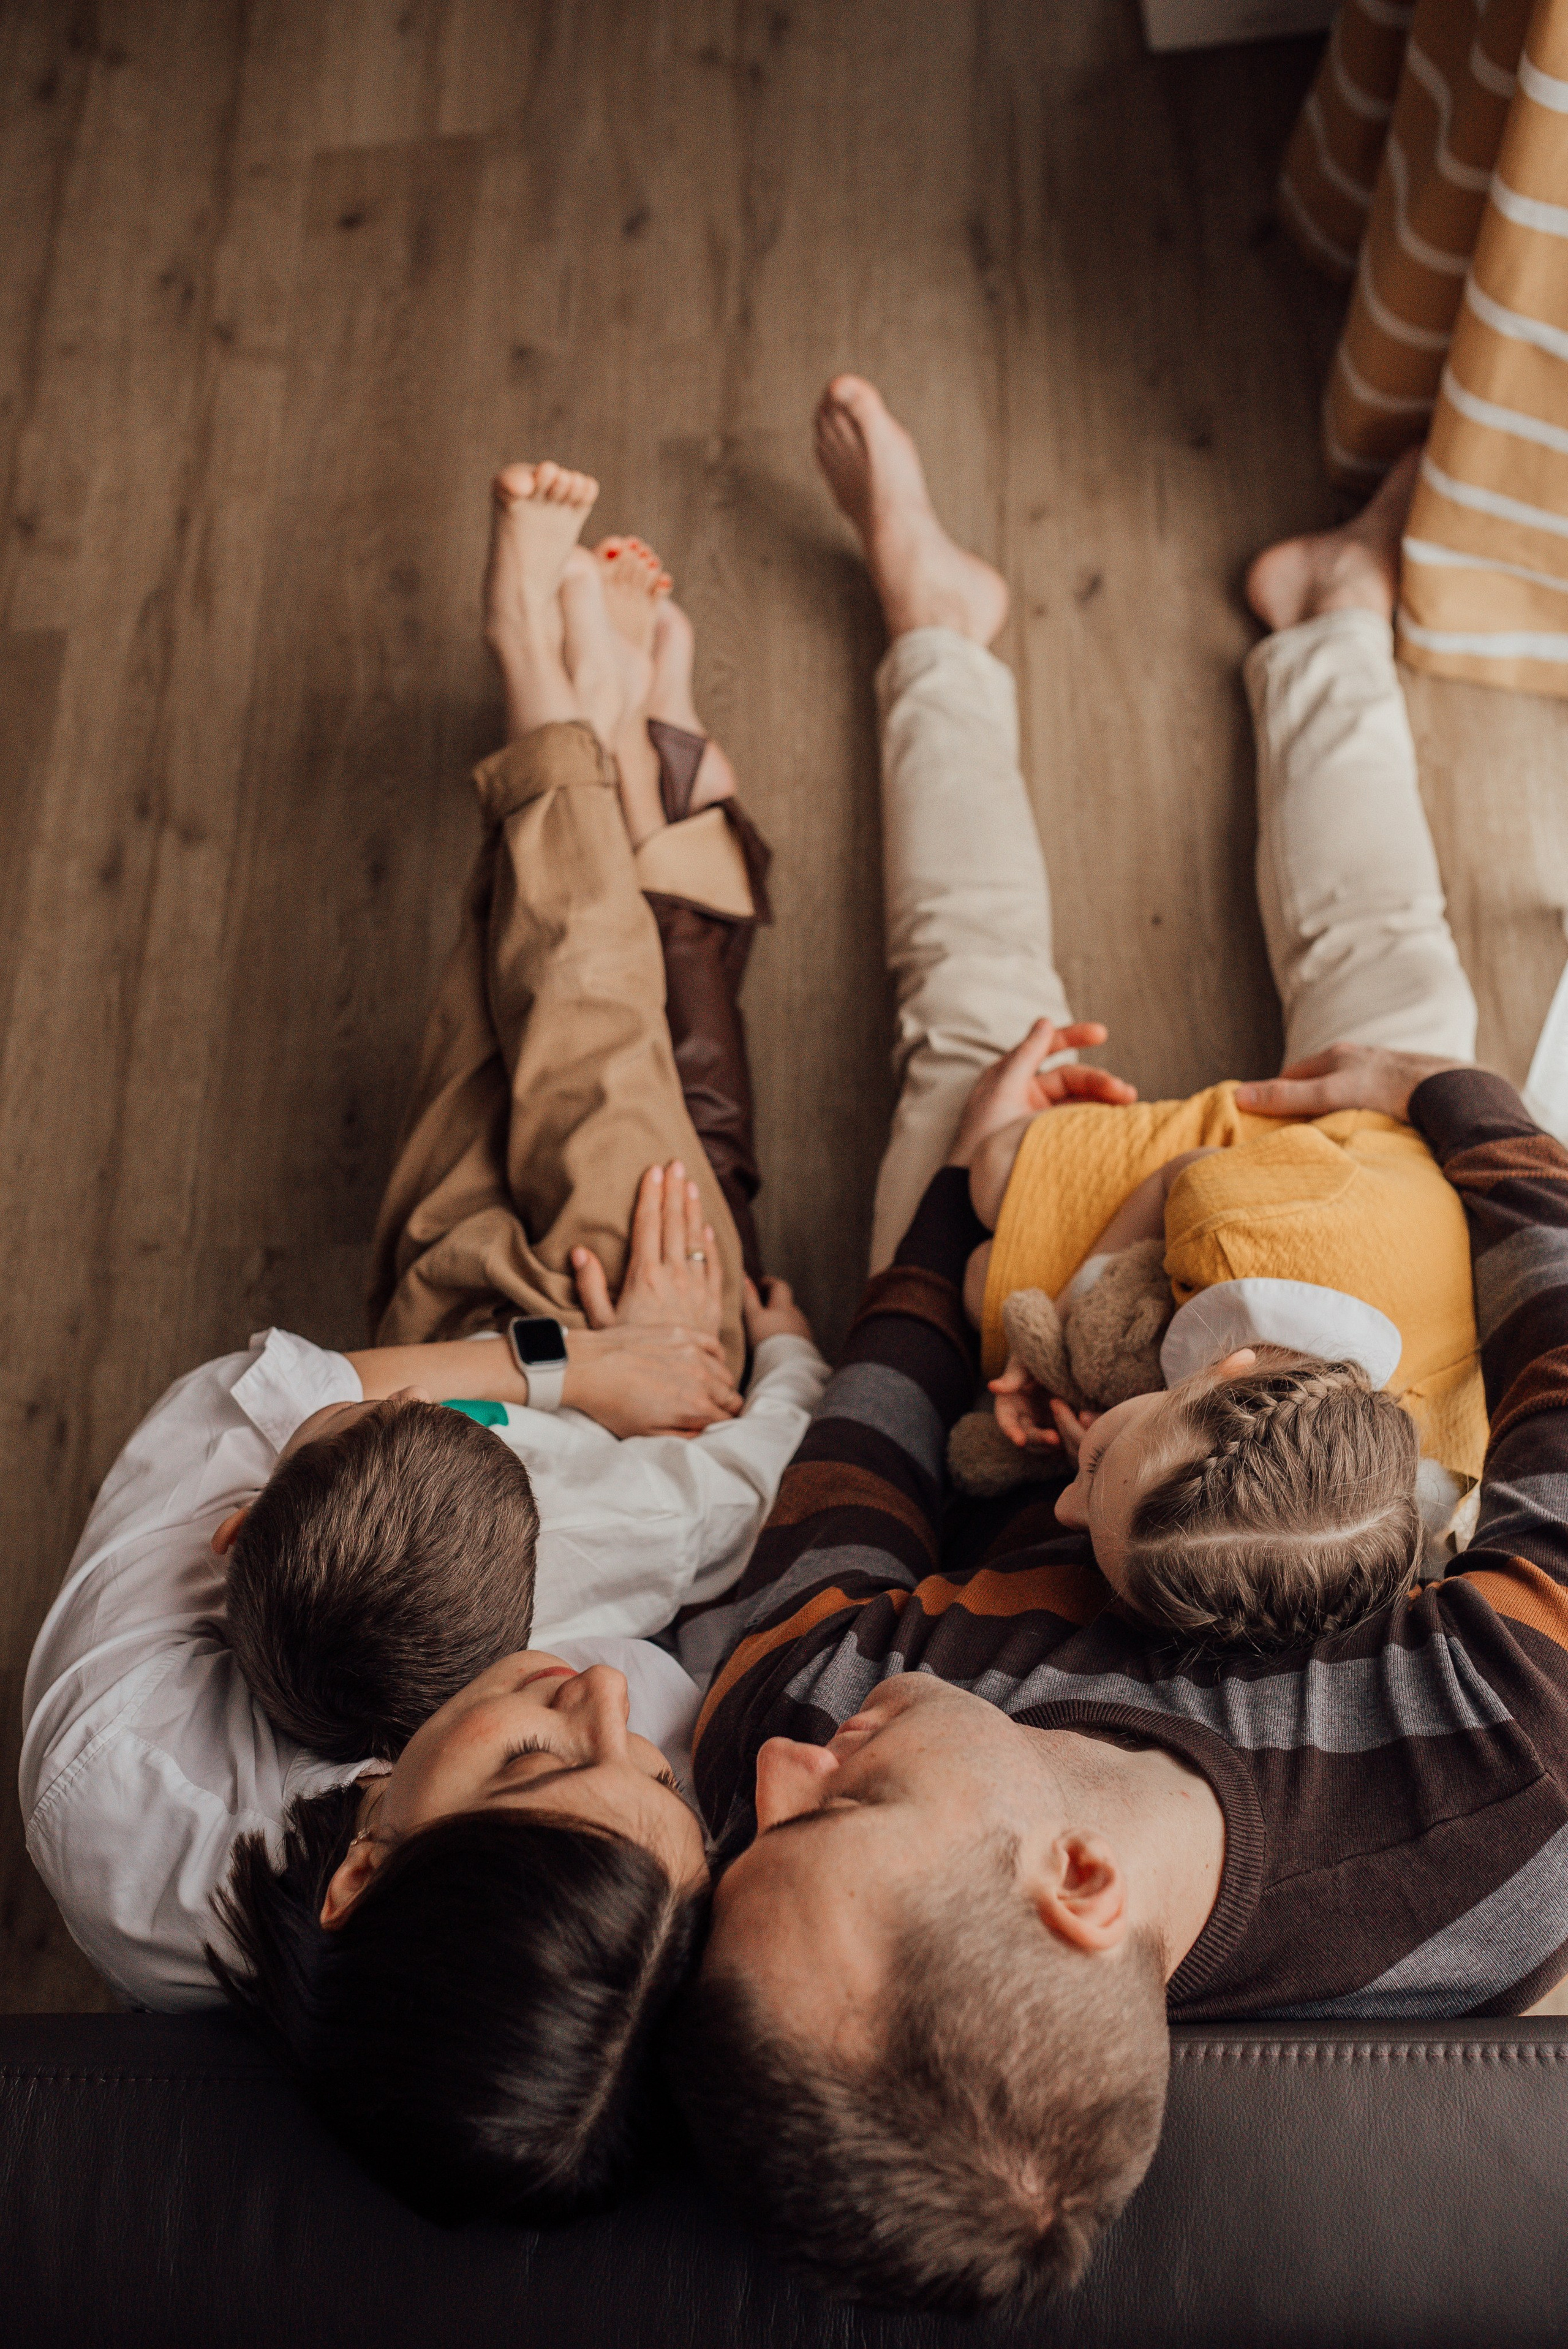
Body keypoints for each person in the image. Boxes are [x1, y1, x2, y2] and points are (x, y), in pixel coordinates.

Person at [665, 383, 1568, 2314]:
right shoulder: (1496, 1784)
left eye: (761, 1831)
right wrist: (1462, 1105)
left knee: (973, 1025)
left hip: (1034, 1383)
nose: (766, 1775)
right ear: (1078, 1890)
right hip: (1360, 1404)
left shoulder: (798, 1709)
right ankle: (1329, 616)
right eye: (844, 1810)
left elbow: (861, 1458)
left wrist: (961, 1204)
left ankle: (943, 628)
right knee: (1395, 988)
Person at [20, 461, 827, 2220]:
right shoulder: (618, 1881)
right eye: (653, 1788)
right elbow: (700, 1508)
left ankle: (593, 742)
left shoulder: (116, 1778)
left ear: (357, 1878)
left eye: (542, 1754)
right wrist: (722, 1378)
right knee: (637, 1164)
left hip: (450, 1401)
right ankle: (594, 749)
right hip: (618, 1415)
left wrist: (551, 1367)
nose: (620, 1701)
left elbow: (262, 1394)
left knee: (547, 1116)